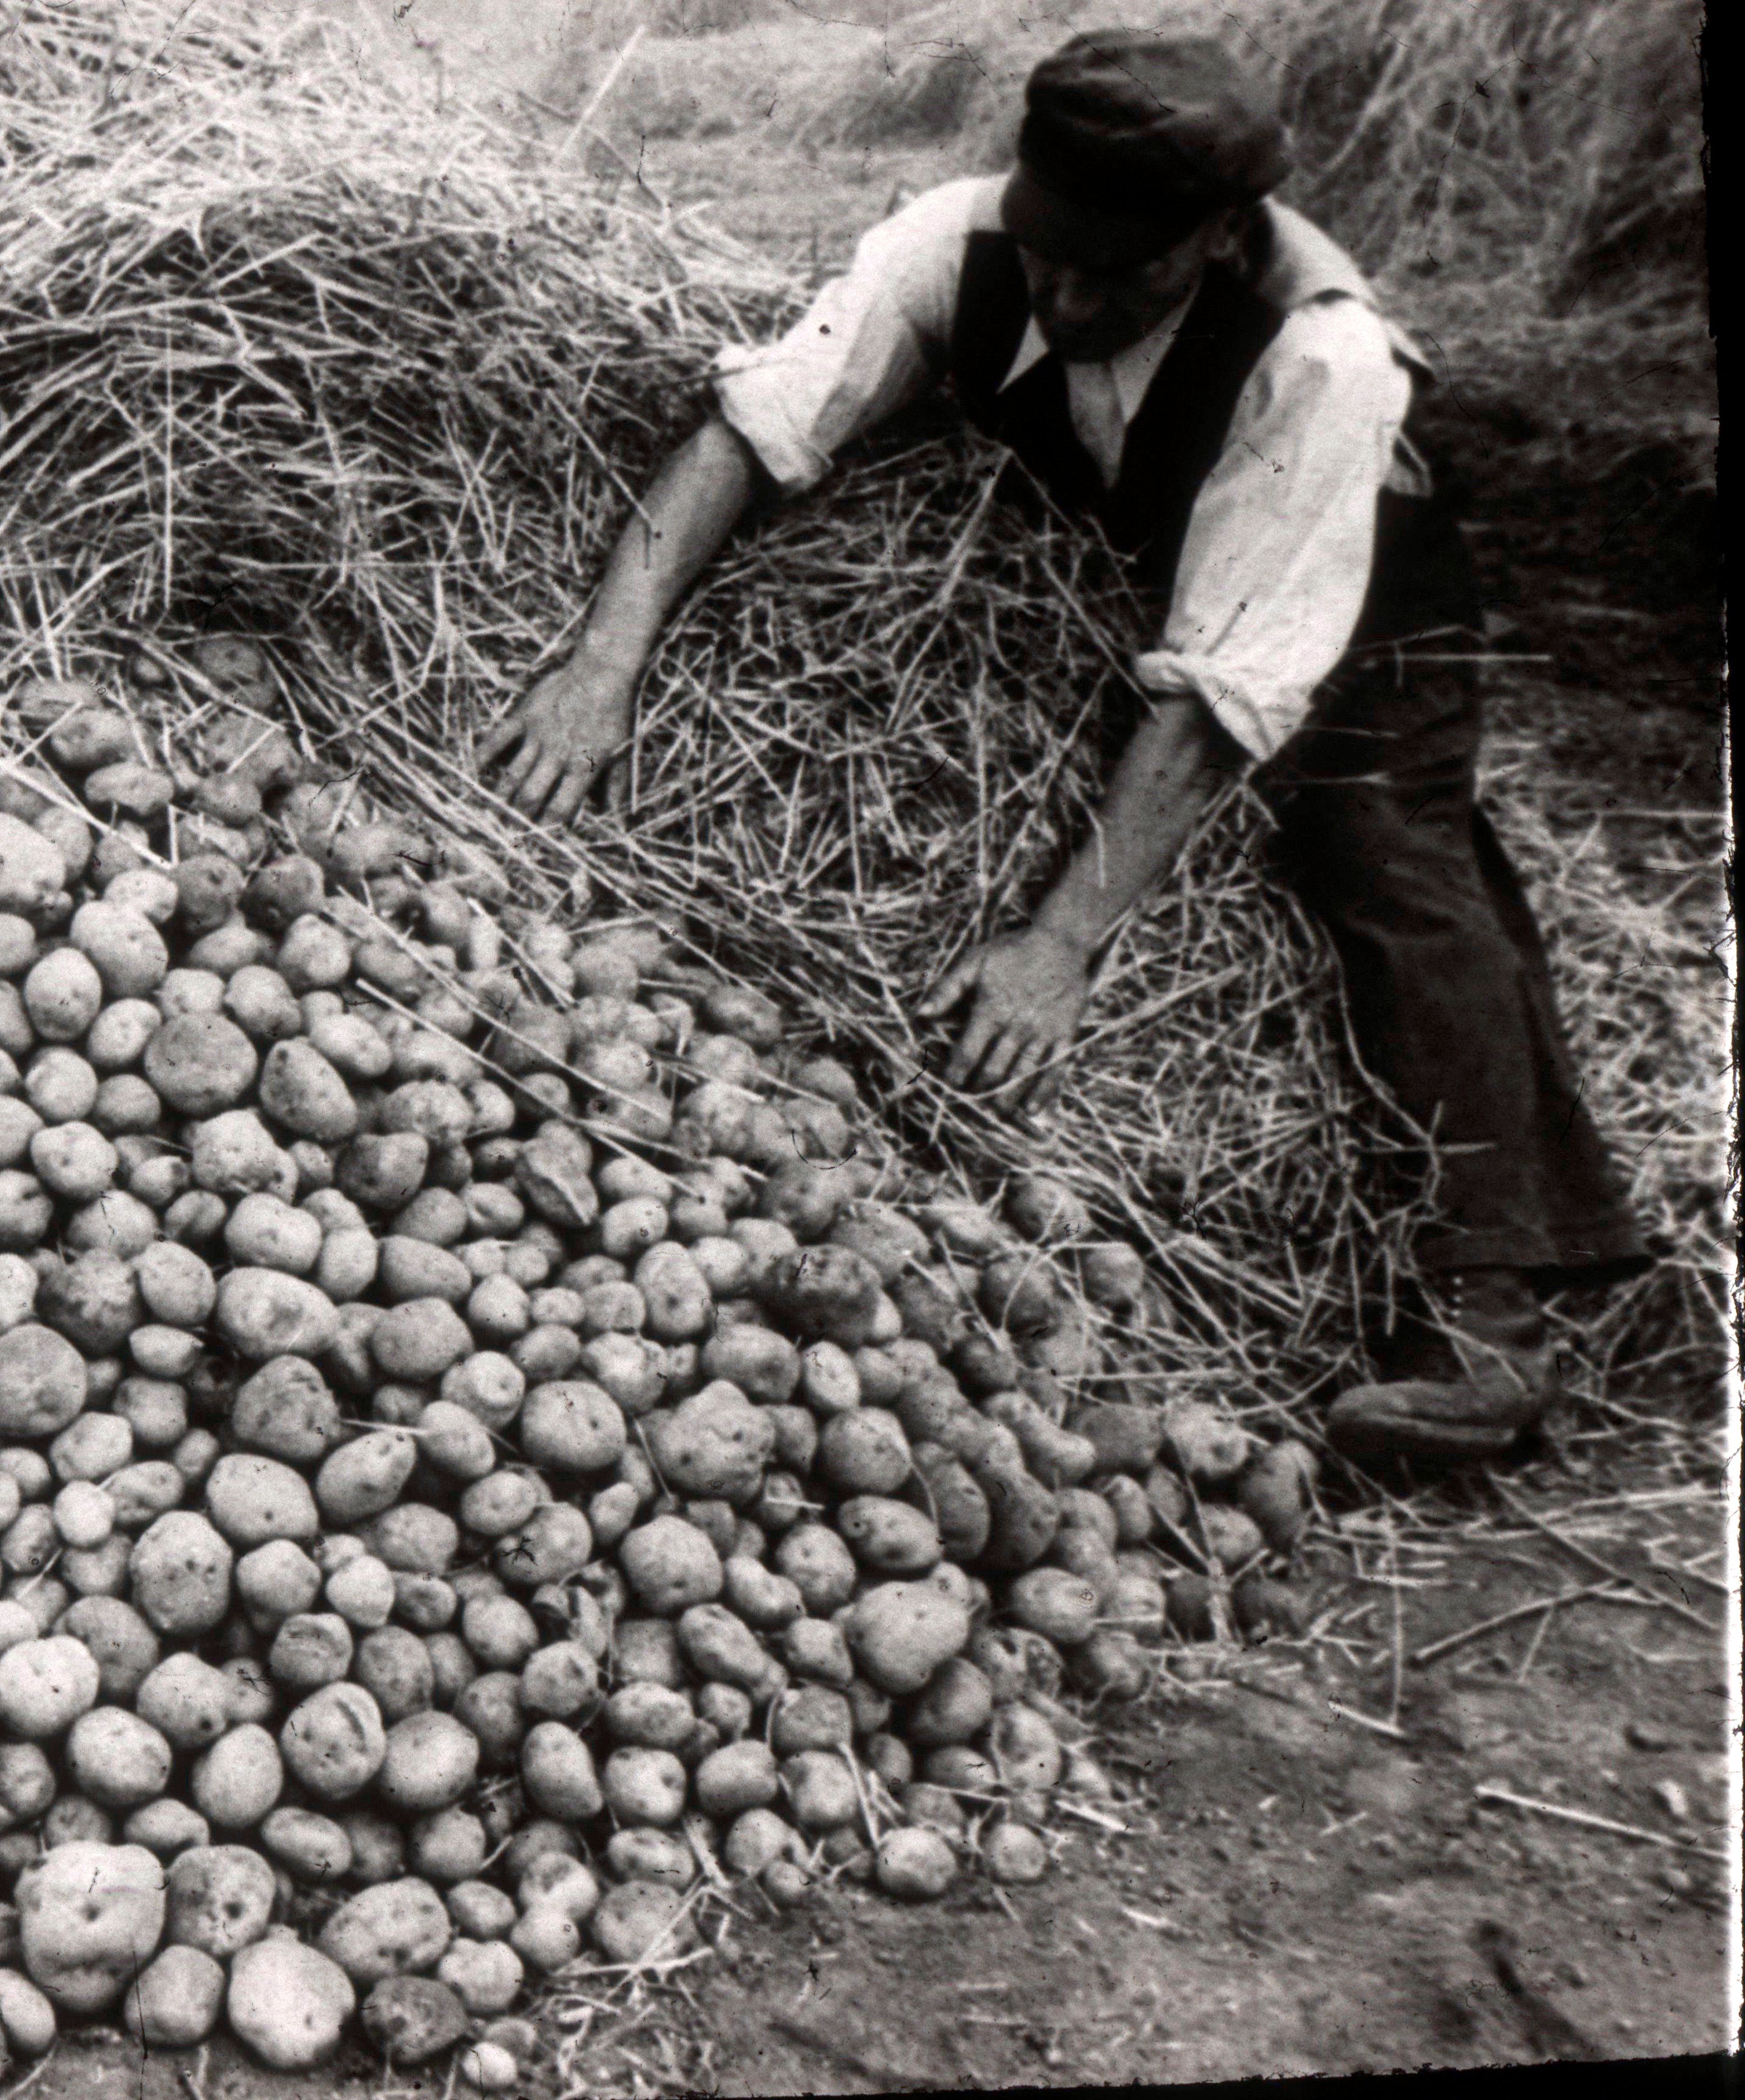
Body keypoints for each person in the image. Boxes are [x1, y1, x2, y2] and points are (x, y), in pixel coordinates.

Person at [481, 29, 1646, 1463]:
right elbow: (759, 427)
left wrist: (1062, 940)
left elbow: (1224, 693)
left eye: (1122, 272)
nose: (1070, 296)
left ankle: (1491, 1301)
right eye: (1053, 259)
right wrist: (603, 670)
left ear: (1219, 239)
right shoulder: (955, 240)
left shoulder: (1319, 361)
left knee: (1376, 839)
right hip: (1124, 542)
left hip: (1356, 580)